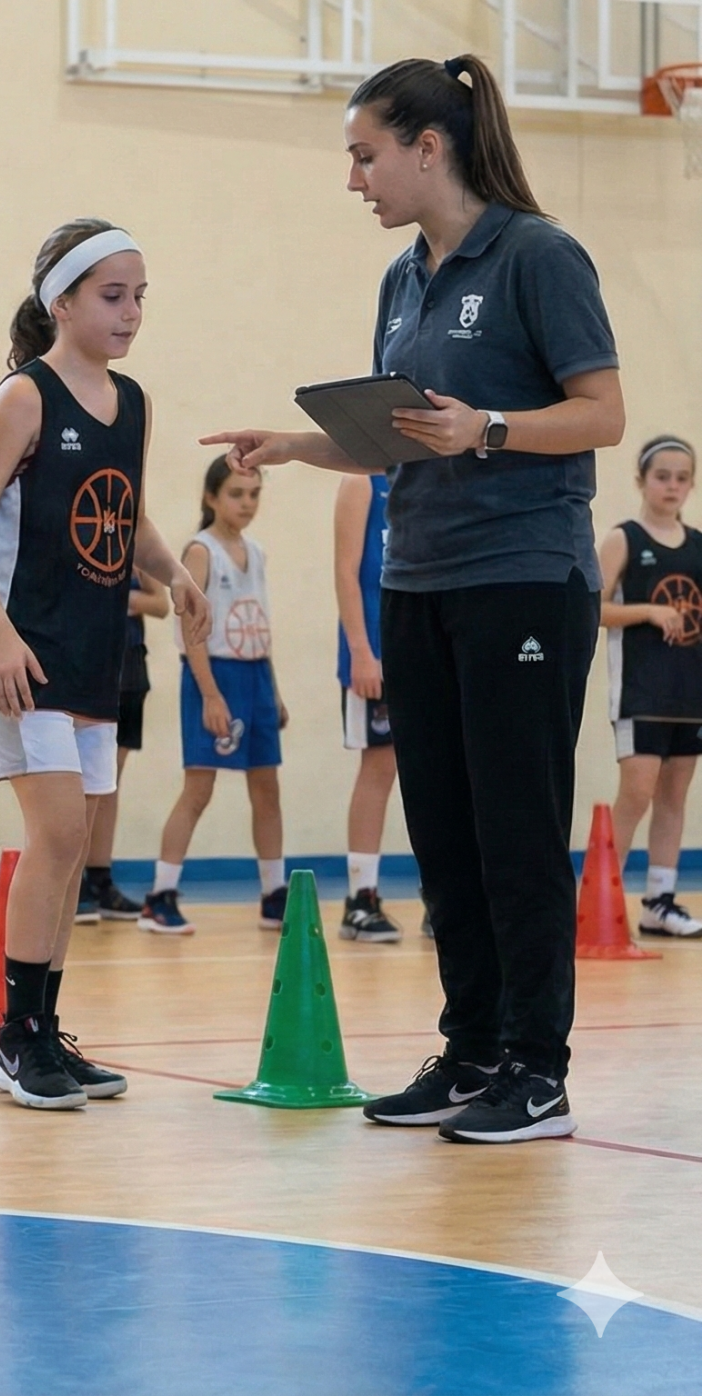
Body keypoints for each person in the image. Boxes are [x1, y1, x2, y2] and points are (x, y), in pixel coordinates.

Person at [205, 54, 623, 1144]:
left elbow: (602, 414)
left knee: (515, 828)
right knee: (440, 829)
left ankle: (536, 1069)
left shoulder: (537, 255)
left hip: (523, 579)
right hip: (418, 580)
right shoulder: (402, 279)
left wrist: (489, 428)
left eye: (364, 156)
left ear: (426, 148)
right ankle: (473, 1048)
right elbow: (397, 435)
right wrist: (295, 443)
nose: (354, 180)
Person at [0, 217, 210, 1110]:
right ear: (60, 303)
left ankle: (45, 1030)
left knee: (77, 843)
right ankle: (15, 1040)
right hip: (21, 648)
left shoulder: (131, 403)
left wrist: (174, 575)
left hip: (95, 647)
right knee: (58, 836)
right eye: (112, 296)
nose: (131, 312)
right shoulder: (24, 398)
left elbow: (125, 515)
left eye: (140, 297)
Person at [138, 458, 289, 935]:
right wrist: (210, 695)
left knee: (267, 787)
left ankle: (273, 893)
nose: (247, 503)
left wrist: (273, 691)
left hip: (255, 676)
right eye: (236, 494)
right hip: (214, 676)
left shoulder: (256, 552)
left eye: (254, 494)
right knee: (198, 789)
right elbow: (190, 628)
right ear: (211, 497)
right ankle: (160, 896)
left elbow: (258, 623)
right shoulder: (200, 551)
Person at [600, 435, 702, 938]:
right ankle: (601, 899)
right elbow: (592, 608)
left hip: (689, 694)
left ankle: (659, 902)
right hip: (639, 693)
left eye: (682, 478)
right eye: (663, 476)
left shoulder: (699, 545)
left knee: (674, 797)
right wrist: (648, 611)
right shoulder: (624, 539)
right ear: (642, 480)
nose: (672, 486)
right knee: (637, 793)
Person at [334, 470, 409, 941]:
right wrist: (361, 650)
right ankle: (361, 898)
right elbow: (346, 571)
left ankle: (440, 892)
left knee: (439, 771)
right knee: (379, 766)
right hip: (376, 653)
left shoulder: (425, 475)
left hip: (422, 649)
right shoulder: (361, 481)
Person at [78, 573, 166, 923]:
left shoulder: (136, 552)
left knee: (108, 779)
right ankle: (73, 880)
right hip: (85, 661)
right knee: (79, 779)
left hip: (129, 665)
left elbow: (160, 603)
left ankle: (100, 880)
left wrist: (115, 599)